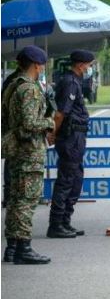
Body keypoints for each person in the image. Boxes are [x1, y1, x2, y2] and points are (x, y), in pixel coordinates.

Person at [2, 45, 55, 264]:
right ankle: (23, 248)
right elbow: (30, 122)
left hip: (16, 150)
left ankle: (12, 247)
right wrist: (49, 122)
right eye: (42, 65)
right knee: (26, 200)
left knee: (15, 200)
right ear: (37, 65)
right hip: (29, 151)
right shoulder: (30, 89)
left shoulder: (13, 85)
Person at [47, 50, 94, 238]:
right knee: (66, 180)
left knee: (75, 178)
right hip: (70, 137)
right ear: (81, 65)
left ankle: (65, 222)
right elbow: (60, 114)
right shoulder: (70, 82)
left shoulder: (75, 81)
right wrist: (53, 133)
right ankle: (56, 224)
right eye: (89, 65)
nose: (89, 69)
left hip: (76, 136)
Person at [1, 61, 22, 209]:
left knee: (11, 162)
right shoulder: (18, 82)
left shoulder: (12, 80)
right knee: (13, 163)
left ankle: (9, 195)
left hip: (10, 129)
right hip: (16, 130)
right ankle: (10, 195)